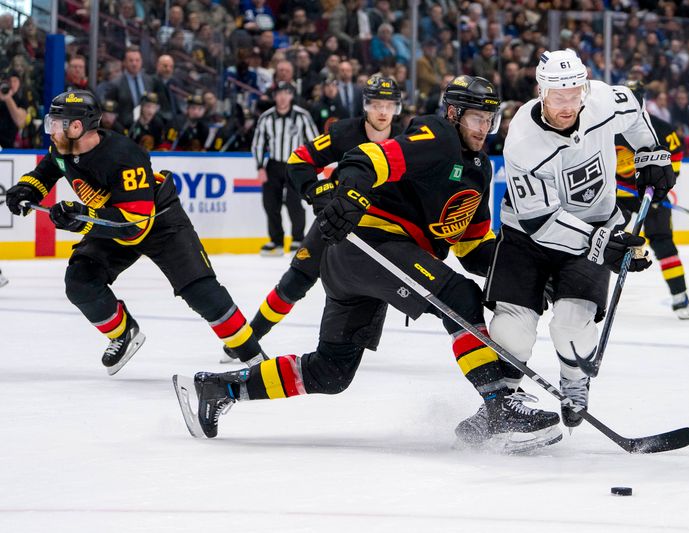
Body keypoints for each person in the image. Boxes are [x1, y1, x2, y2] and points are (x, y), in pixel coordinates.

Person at [176, 75, 562, 452]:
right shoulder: (437, 136)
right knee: (458, 295)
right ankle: (497, 406)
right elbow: (367, 158)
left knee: (331, 372)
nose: (485, 128)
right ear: (453, 113)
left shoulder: (480, 170)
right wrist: (350, 198)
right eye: (477, 118)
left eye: (490, 120)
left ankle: (221, 388)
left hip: (363, 260)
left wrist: (523, 270)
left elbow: (473, 246)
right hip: (370, 244)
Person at [454, 50, 675, 443]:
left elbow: (637, 116)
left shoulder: (603, 99)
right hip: (528, 236)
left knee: (573, 327)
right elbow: (541, 223)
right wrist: (602, 245)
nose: (568, 105)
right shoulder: (523, 139)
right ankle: (501, 407)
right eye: (558, 96)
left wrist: (650, 155)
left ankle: (575, 382)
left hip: (596, 224)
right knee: (513, 331)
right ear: (541, 92)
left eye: (575, 93)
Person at [4, 90, 266, 375]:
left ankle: (255, 357)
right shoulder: (62, 148)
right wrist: (27, 188)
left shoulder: (123, 157)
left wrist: (81, 217)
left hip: (159, 223)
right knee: (80, 280)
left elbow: (135, 226)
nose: (50, 130)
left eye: (56, 123)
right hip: (113, 218)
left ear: (76, 127)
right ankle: (123, 333)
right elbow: (48, 170)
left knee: (202, 292)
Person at [220, 75, 404, 363]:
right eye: (377, 104)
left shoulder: (407, 139)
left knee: (389, 289)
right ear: (366, 105)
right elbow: (300, 159)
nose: (383, 112)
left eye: (389, 105)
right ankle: (251, 337)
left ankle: (349, 348)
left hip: (380, 229)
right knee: (295, 281)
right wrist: (317, 192)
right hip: (336, 220)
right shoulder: (344, 132)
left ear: (397, 109)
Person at [616, 80, 689, 319]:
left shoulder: (661, 128)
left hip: (651, 194)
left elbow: (676, 157)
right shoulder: (606, 127)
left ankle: (680, 297)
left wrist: (661, 188)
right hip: (617, 196)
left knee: (662, 242)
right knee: (597, 240)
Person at [251, 81, 319, 256]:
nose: (282, 97)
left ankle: (298, 239)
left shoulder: (302, 116)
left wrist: (312, 165)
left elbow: (314, 142)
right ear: (274, 96)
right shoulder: (266, 117)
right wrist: (260, 166)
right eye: (279, 93)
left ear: (291, 96)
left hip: (295, 164)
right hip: (273, 164)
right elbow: (258, 143)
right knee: (270, 203)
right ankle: (277, 240)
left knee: (293, 202)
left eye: (286, 93)